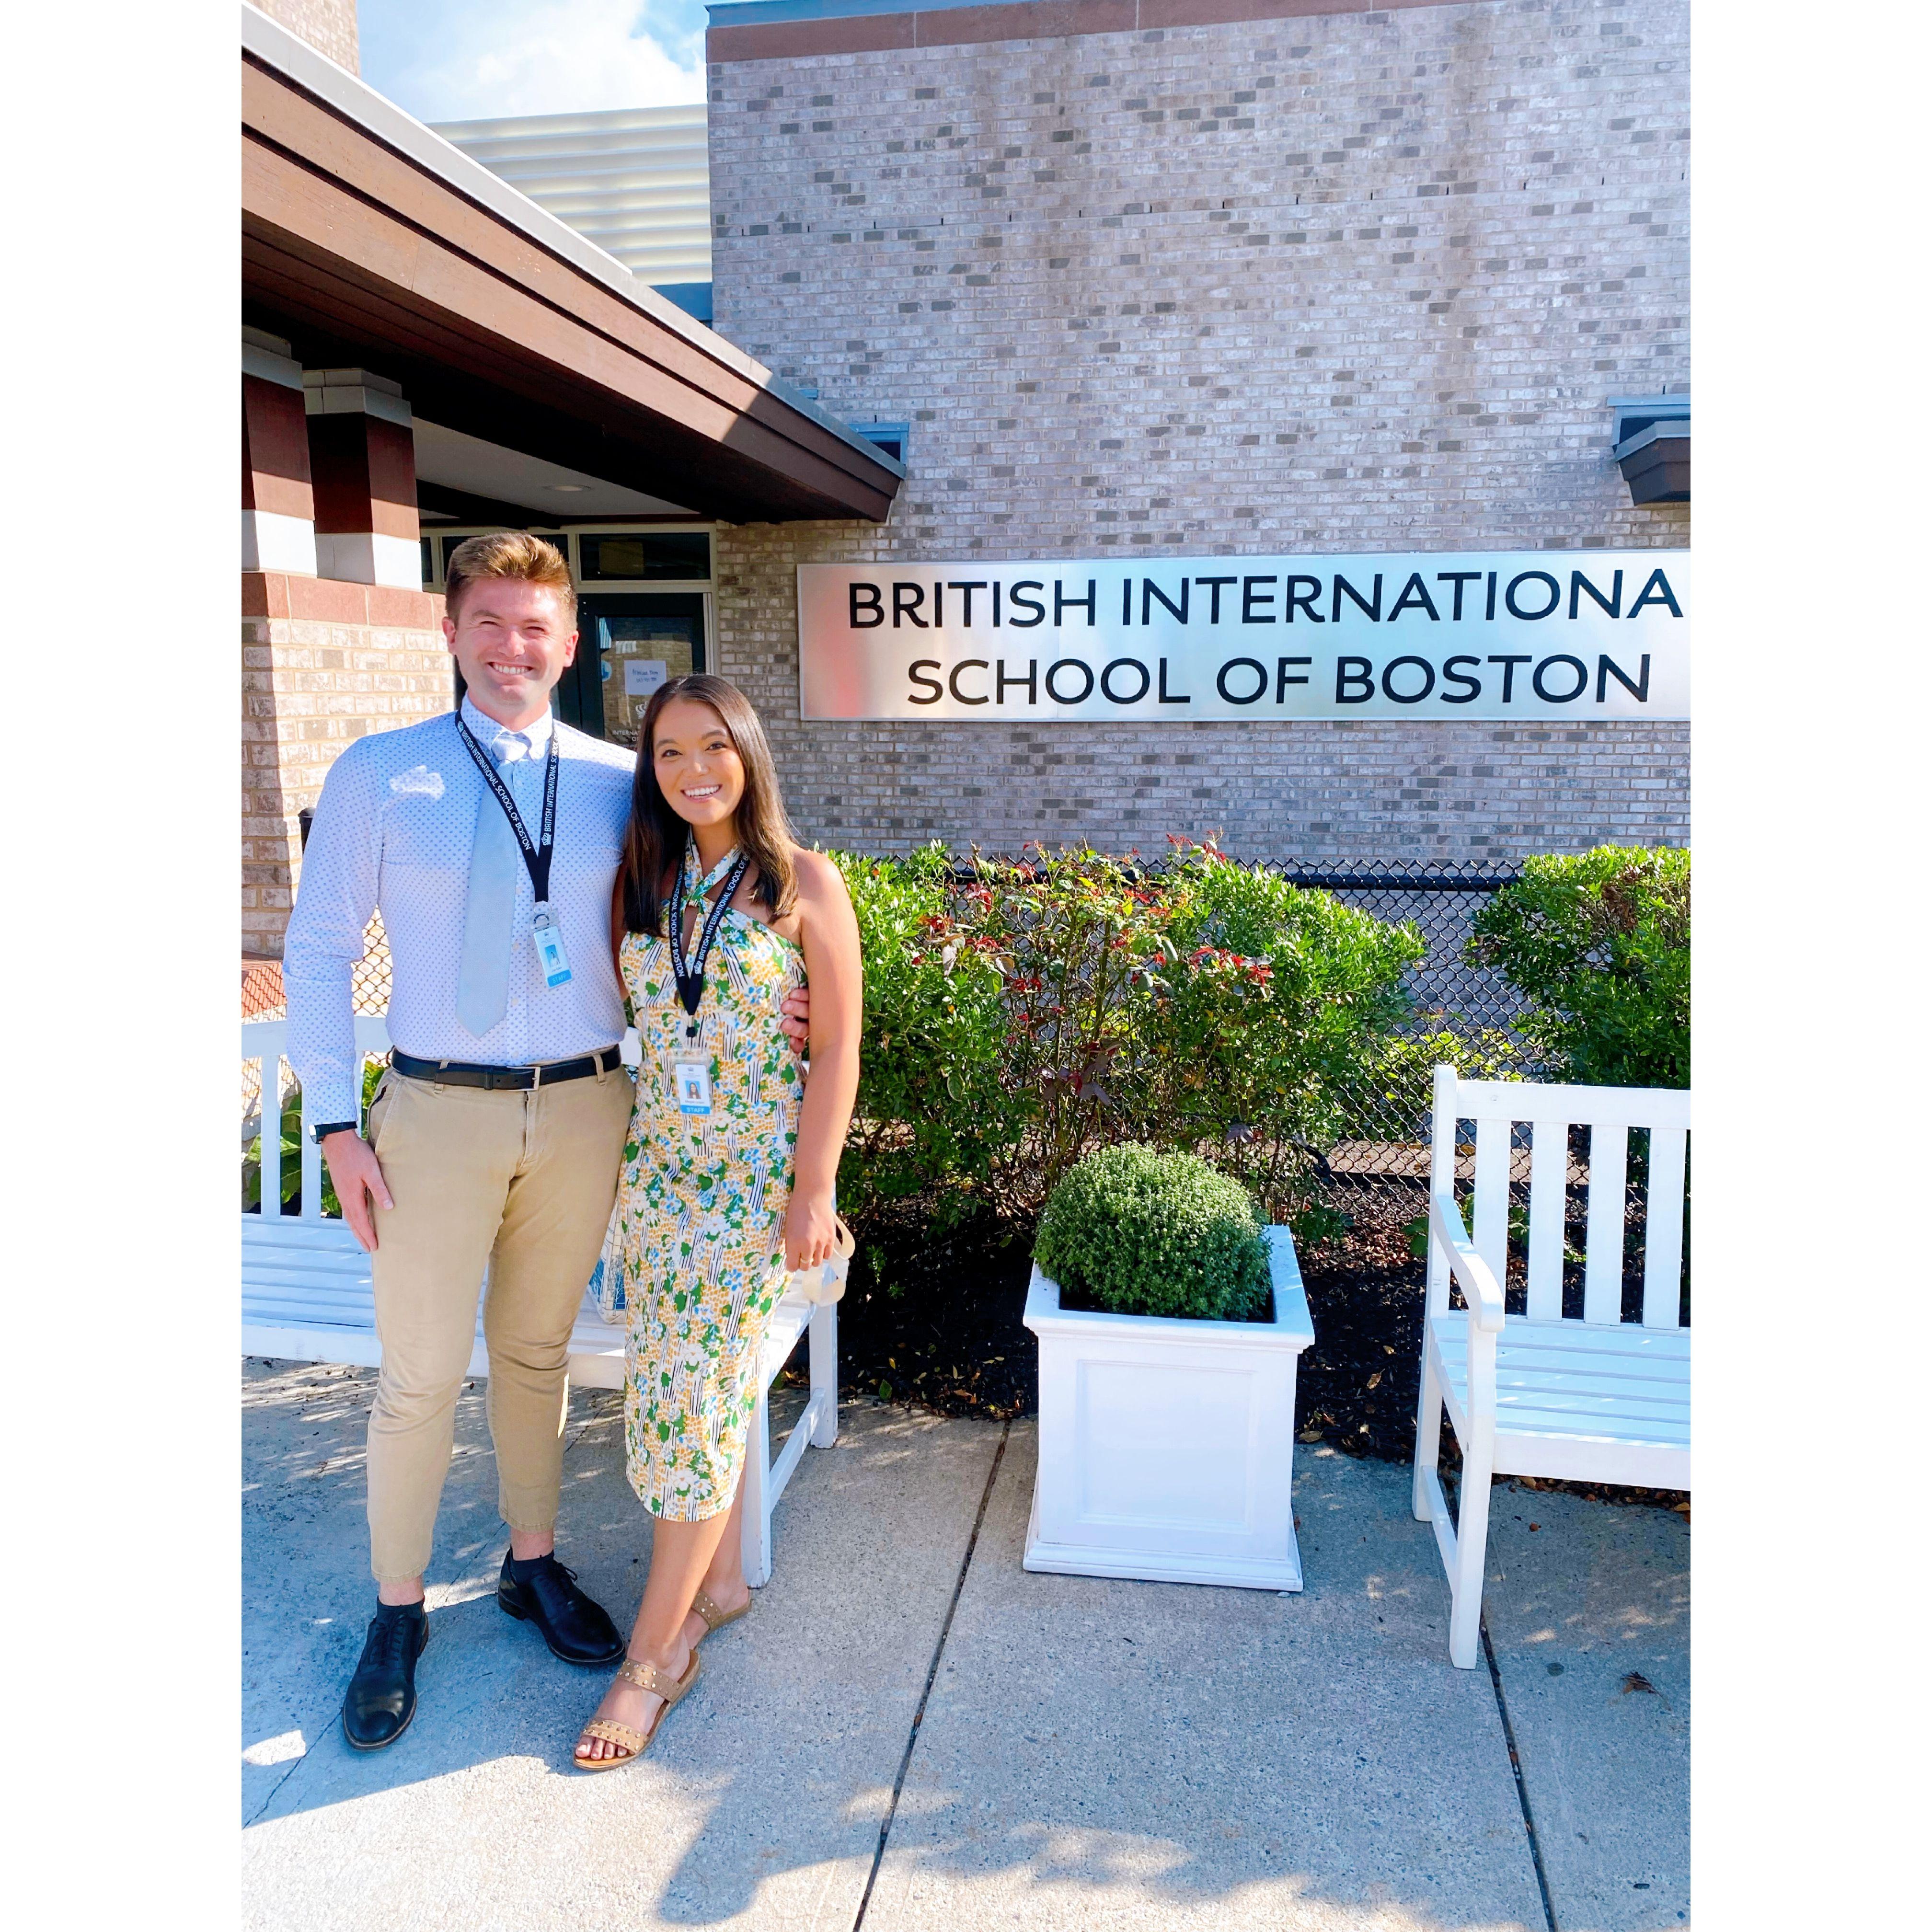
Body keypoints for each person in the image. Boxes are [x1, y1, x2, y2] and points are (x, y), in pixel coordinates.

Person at [283, 536, 809, 1751]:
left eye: (537, 629)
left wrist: (807, 1004)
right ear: (453, 632)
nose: (513, 648)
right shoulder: (382, 774)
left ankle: (531, 1565)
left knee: (533, 1355)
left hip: (585, 1110)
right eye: (490, 623)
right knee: (418, 1376)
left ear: (571, 645)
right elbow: (315, 953)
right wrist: (332, 1126)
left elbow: (735, 906)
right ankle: (398, 1611)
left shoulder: (624, 780)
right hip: (434, 1114)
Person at [572, 676, 862, 1769]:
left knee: (688, 1403)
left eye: (714, 749)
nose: (695, 772)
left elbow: (834, 1047)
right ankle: (725, 1583)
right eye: (668, 754)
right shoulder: (638, 886)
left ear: (748, 755)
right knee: (694, 1383)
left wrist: (814, 1191)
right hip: (657, 1182)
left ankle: (654, 1658)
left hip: (749, 1192)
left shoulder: (803, 886)